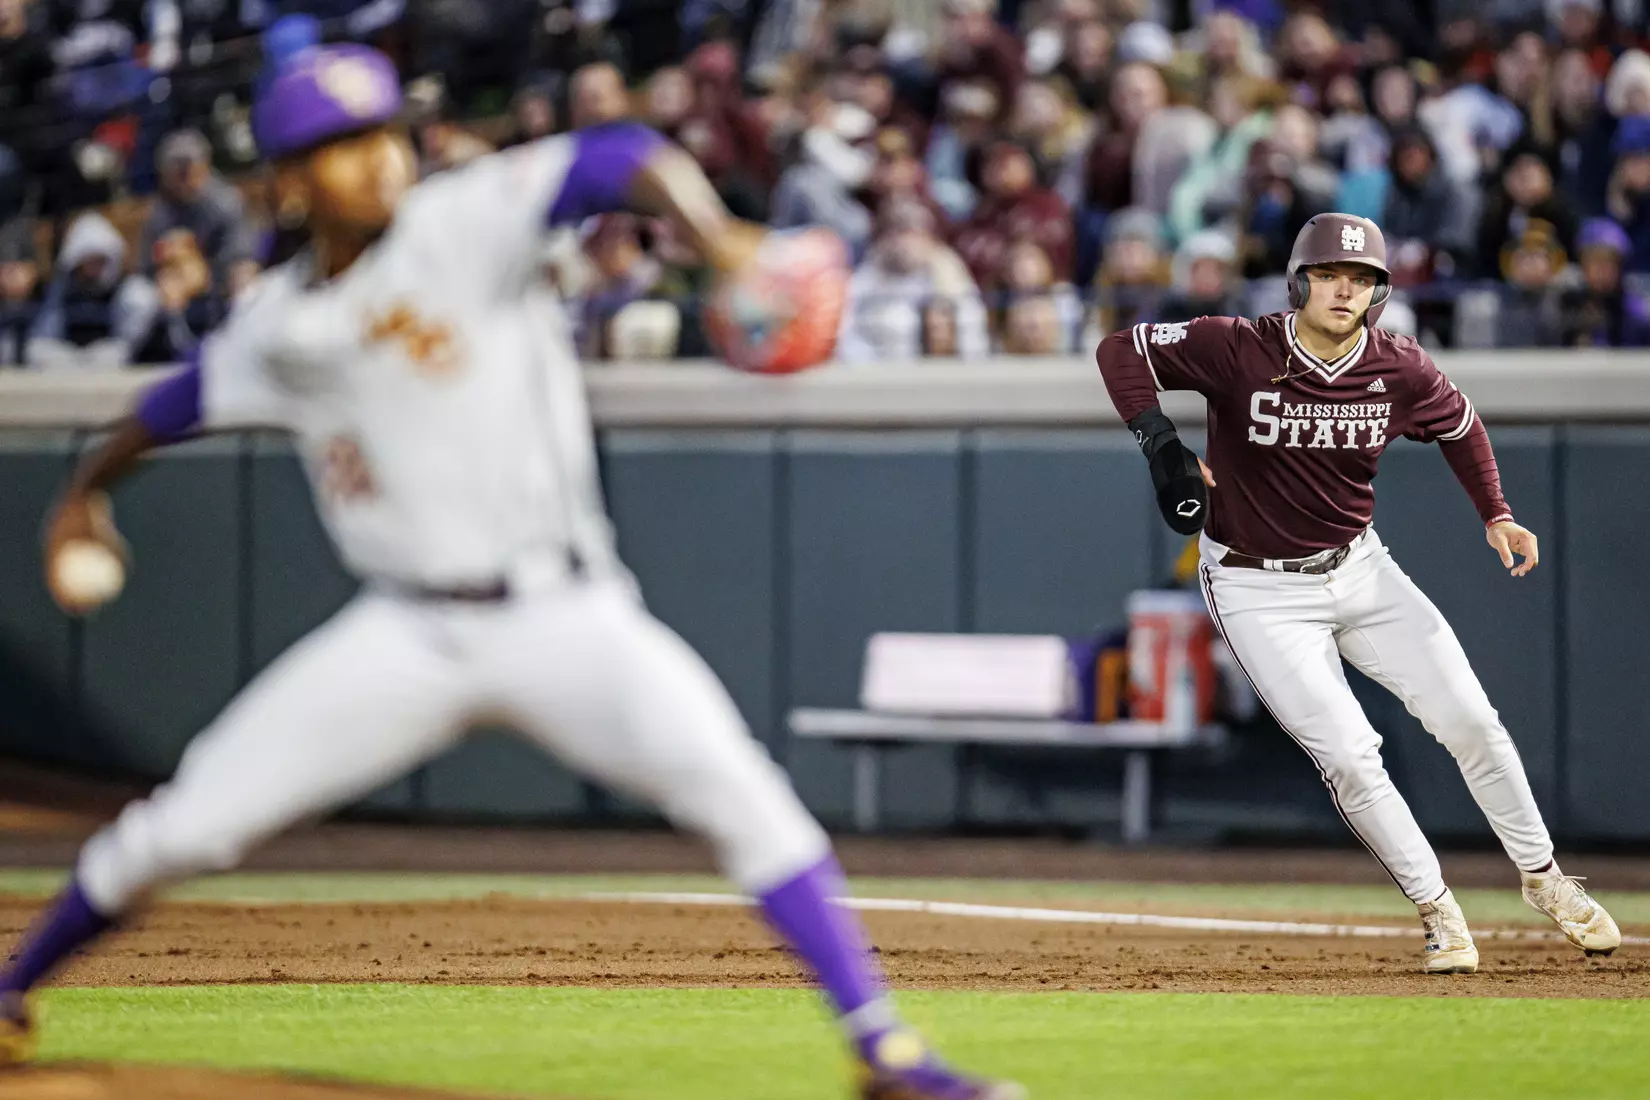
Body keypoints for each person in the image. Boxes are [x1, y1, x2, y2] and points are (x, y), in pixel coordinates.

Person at [0, 43, 1023, 1100]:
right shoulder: (281, 327)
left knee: (742, 793)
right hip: (403, 634)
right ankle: (10, 994)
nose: (376, 159)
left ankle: (883, 1048)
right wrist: (83, 491)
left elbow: (617, 153)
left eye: (381, 133)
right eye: (340, 147)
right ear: (292, 181)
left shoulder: (464, 221)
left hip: (564, 615)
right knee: (189, 823)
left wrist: (715, 239)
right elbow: (170, 405)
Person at [1094, 212, 1621, 975]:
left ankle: (1544, 880)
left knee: (1472, 719)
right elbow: (1122, 350)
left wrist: (1497, 513)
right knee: (1350, 753)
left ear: (1379, 291)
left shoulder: (1398, 365)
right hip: (1254, 584)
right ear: (1300, 280)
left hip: (1361, 569)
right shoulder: (1237, 345)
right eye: (1332, 275)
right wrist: (1159, 440)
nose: (1347, 290)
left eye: (1364, 279)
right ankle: (1440, 912)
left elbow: (1462, 425)